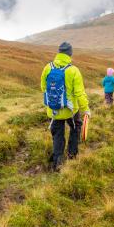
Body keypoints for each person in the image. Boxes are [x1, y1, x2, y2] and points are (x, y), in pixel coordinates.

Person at [41, 42, 90, 171]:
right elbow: (80, 93)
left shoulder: (48, 67)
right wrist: (86, 109)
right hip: (70, 110)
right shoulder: (73, 70)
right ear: (70, 54)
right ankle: (72, 154)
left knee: (58, 133)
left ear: (59, 52)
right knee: (75, 127)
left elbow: (43, 87)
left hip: (54, 110)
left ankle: (57, 161)